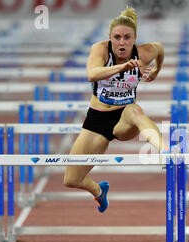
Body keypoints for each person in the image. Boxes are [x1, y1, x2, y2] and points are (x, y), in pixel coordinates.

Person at [63, 6, 167, 213]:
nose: (122, 42)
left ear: (134, 38)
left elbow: (160, 48)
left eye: (127, 37)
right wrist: (122, 67)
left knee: (135, 111)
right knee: (71, 180)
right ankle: (99, 191)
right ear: (110, 38)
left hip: (124, 118)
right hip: (97, 119)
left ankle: (167, 151)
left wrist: (156, 70)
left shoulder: (145, 52)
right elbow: (92, 74)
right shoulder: (100, 49)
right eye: (117, 37)